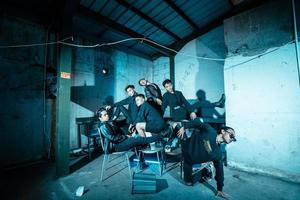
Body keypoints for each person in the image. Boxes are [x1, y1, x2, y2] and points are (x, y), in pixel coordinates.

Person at [173, 118, 236, 199]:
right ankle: (173, 136)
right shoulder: (210, 130)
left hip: (191, 160)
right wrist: (184, 127)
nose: (232, 138)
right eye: (231, 135)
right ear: (223, 131)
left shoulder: (218, 154)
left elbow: (220, 171)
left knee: (188, 183)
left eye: (233, 138)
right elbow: (197, 122)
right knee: (175, 125)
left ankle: (205, 169)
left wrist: (220, 189)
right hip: (187, 145)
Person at [97, 107, 162, 152]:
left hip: (121, 142)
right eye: (105, 115)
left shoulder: (108, 123)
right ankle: (160, 137)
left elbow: (123, 122)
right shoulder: (103, 126)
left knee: (137, 136)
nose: (107, 115)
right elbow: (113, 138)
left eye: (107, 114)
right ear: (100, 118)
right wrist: (126, 136)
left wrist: (129, 133)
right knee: (137, 139)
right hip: (116, 146)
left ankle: (141, 161)